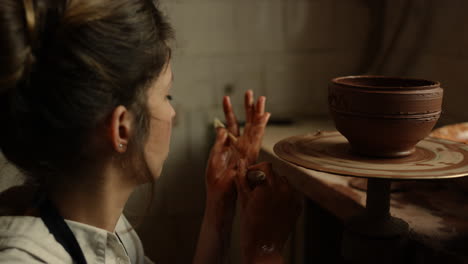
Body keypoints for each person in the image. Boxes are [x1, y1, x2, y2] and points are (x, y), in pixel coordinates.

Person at [0, 0, 301, 263]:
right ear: (121, 128)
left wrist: (219, 207)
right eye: (166, 96)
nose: (173, 113)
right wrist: (266, 248)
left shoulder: (106, 229)